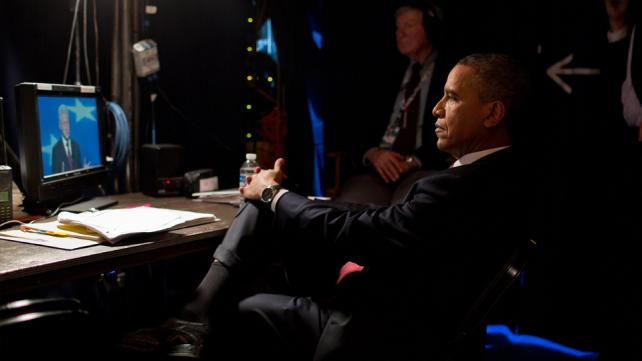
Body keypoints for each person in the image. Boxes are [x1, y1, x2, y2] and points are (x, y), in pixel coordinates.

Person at [120, 53, 532, 361]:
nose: (437, 110)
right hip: (400, 315)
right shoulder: (505, 177)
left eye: (452, 98)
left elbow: (370, 232)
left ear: (493, 112)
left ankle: (189, 320)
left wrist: (272, 196)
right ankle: (190, 319)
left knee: (242, 306)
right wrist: (283, 198)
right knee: (267, 210)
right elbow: (385, 222)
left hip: (374, 331)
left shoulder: (461, 188)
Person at [335, 1, 453, 205]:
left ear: (429, 28)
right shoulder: (384, 72)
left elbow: (455, 130)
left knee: (405, 211)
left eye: (408, 25)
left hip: (424, 168)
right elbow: (354, 123)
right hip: (377, 170)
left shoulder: (450, 74)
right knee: (350, 207)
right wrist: (372, 153)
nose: (401, 33)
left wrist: (414, 161)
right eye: (398, 27)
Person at [51, 104, 83, 173]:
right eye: (64, 123)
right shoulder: (56, 149)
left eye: (68, 122)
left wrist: (85, 170)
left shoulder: (76, 145)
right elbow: (55, 176)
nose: (67, 127)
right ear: (60, 126)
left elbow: (79, 170)